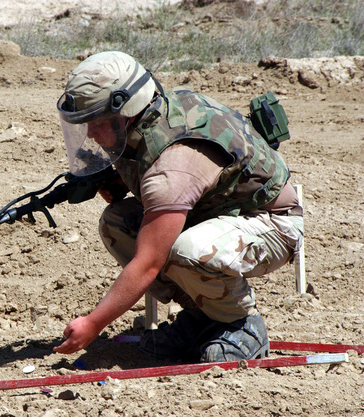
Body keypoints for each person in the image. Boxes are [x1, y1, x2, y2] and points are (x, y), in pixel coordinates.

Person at [52, 51, 304, 362]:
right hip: (218, 213)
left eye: (98, 121)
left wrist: (93, 323)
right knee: (117, 222)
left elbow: (148, 264)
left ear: (127, 110)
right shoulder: (150, 117)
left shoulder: (173, 165)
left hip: (271, 221)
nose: (90, 132)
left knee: (187, 250)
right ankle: (204, 317)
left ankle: (241, 324)